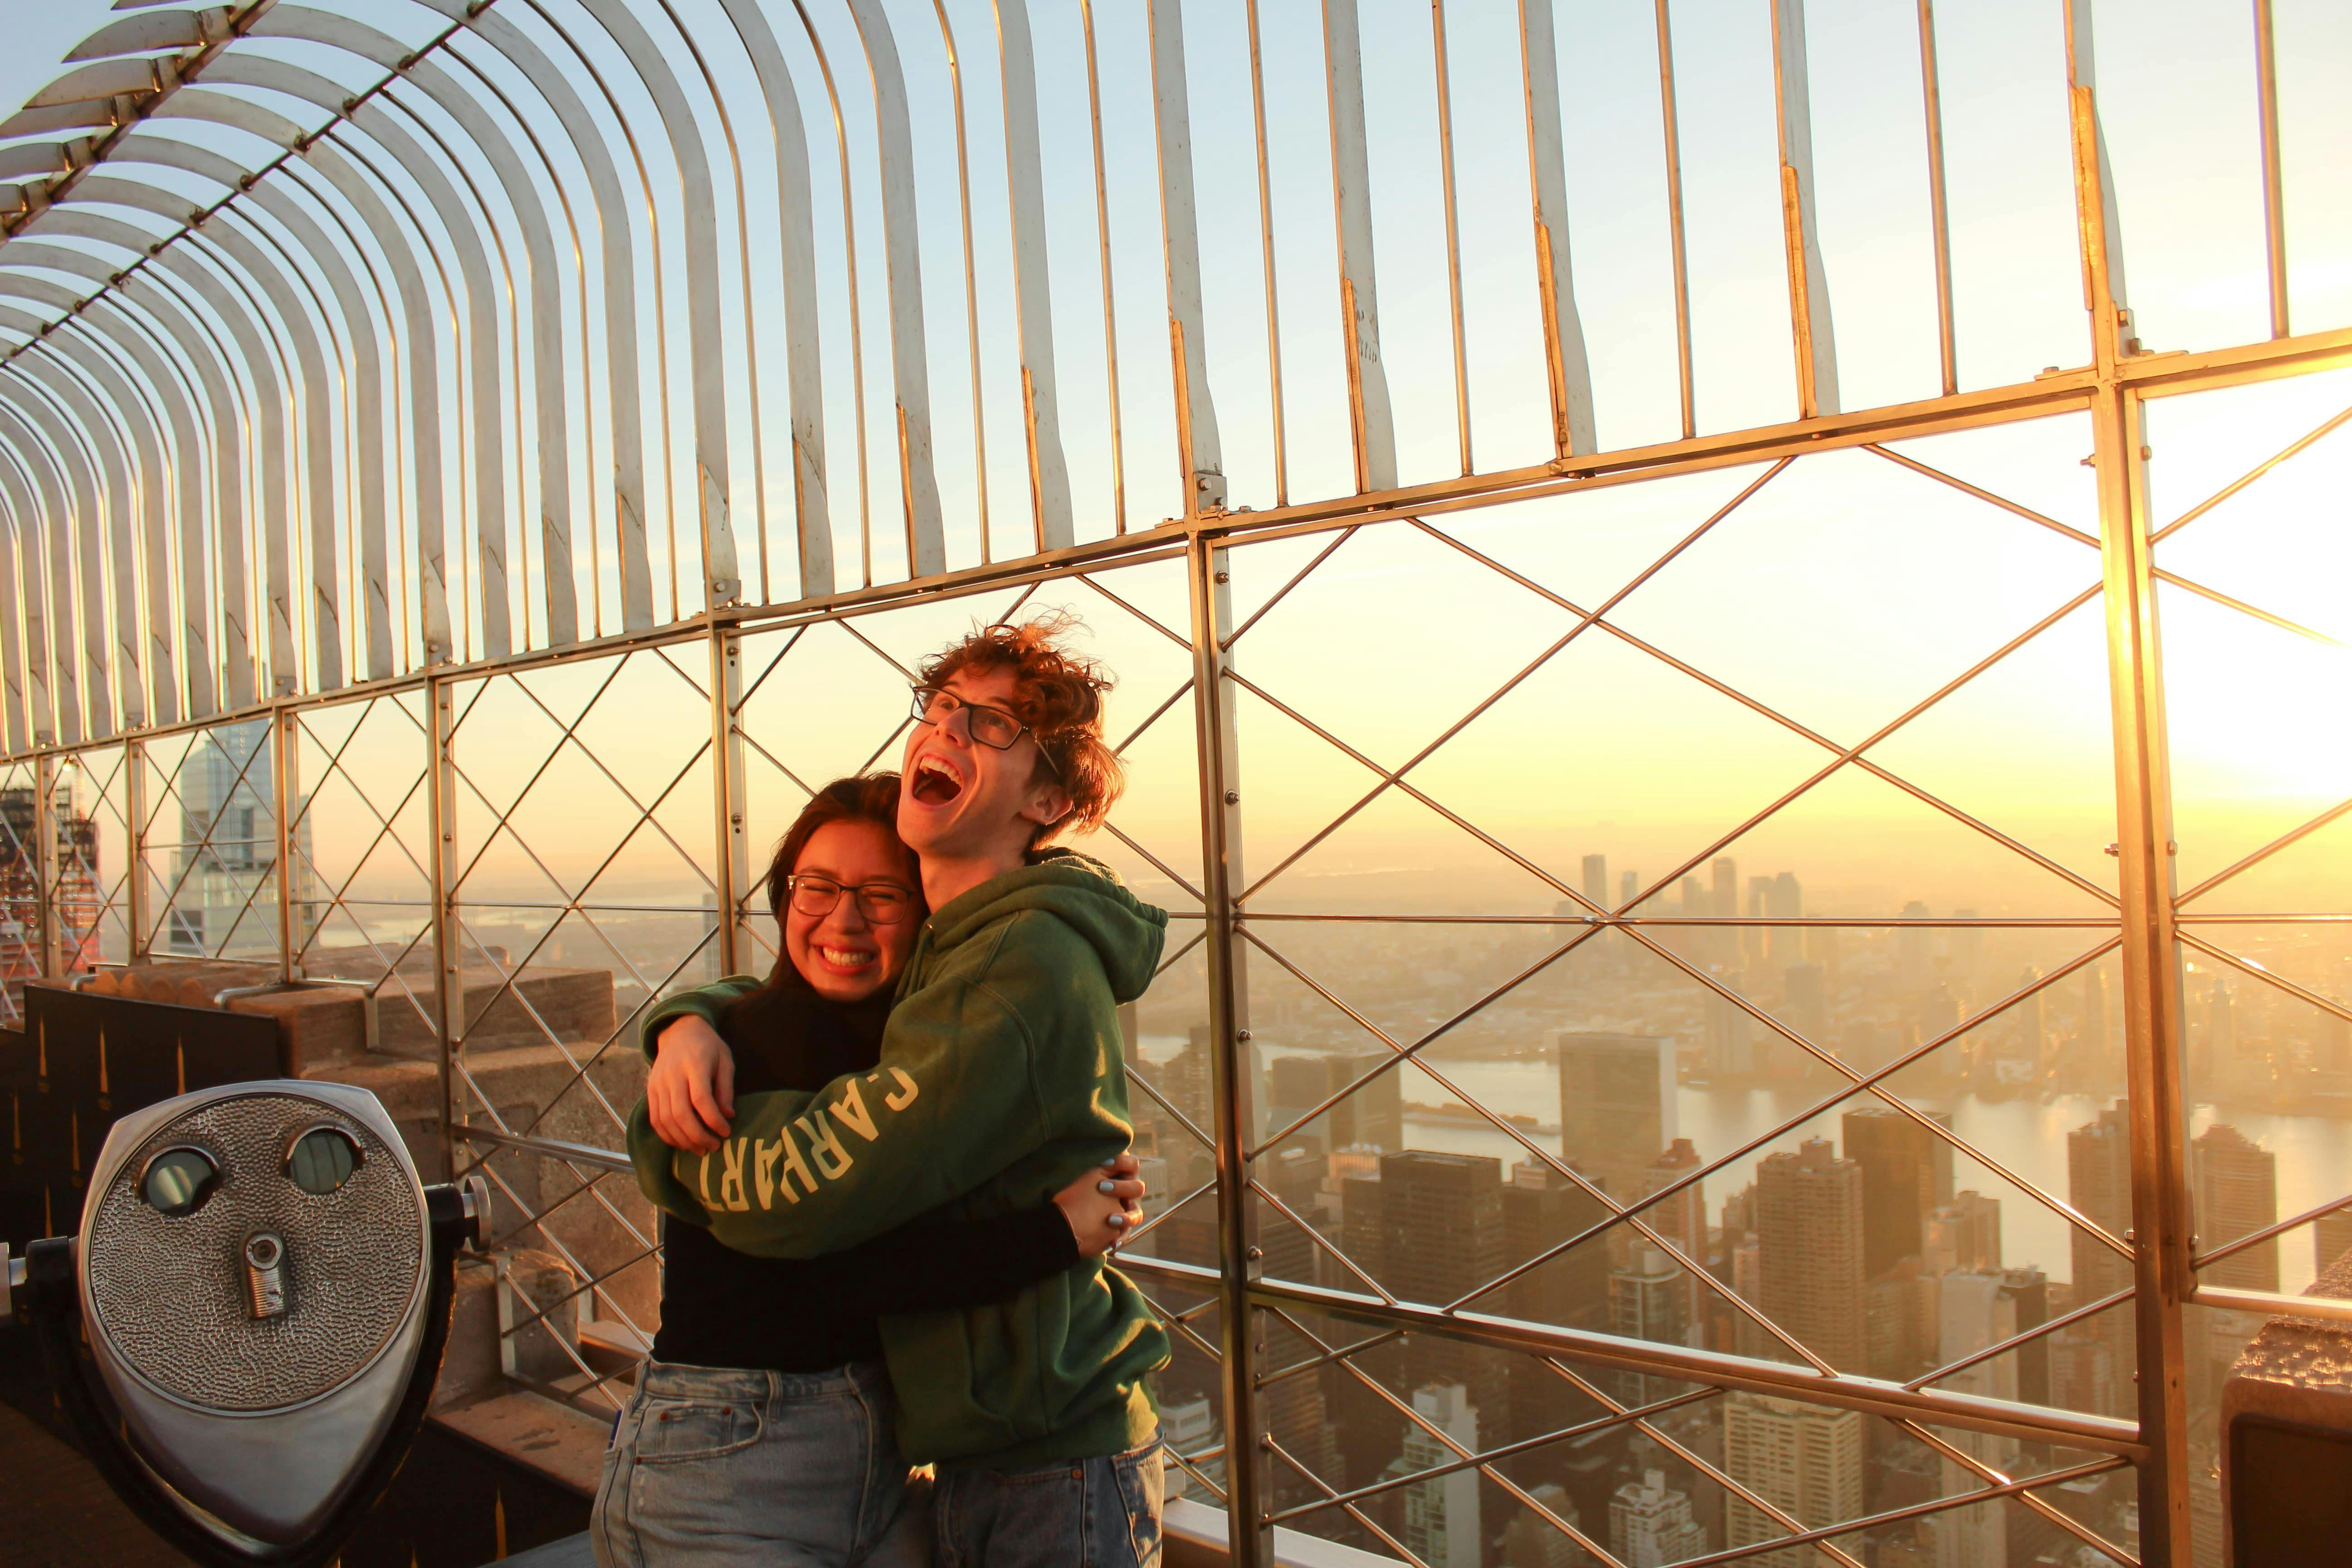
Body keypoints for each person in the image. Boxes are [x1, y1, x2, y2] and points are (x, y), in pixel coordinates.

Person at [633, 614, 1172, 1568]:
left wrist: (673, 1151)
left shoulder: (1016, 962)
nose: (949, 732)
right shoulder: (954, 946)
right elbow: (809, 987)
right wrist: (687, 1022)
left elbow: (821, 1191)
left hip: (1049, 1455)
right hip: (975, 1448)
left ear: (1047, 798)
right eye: (944, 707)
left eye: (992, 727)